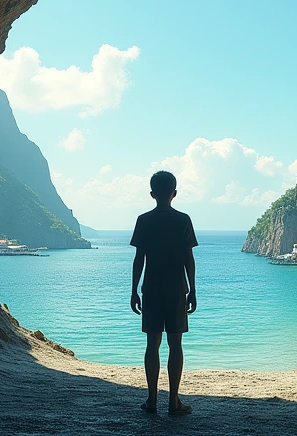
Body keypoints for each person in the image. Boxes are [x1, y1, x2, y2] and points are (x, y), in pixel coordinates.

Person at [129, 170, 198, 415]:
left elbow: (139, 259)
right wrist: (193, 290)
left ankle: (152, 400)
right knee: (175, 344)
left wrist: (134, 290)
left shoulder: (143, 220)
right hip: (177, 289)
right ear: (174, 193)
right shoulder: (183, 220)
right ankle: (174, 401)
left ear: (152, 194)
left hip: (151, 289)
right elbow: (189, 259)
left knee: (152, 344)